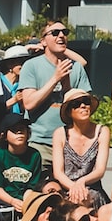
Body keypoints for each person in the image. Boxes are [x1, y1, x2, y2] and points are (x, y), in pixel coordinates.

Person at [17, 22, 93, 166]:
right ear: (43, 41)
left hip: (70, 143)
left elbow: (85, 108)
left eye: (65, 32)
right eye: (55, 33)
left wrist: (67, 87)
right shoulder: (31, 66)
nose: (61, 35)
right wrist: (55, 78)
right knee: (41, 188)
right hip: (40, 143)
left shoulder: (76, 68)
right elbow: (29, 103)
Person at [50, 88, 111, 207]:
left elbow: (100, 170)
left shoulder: (102, 131)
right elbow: (58, 173)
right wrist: (74, 187)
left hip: (92, 188)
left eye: (86, 102)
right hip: (68, 188)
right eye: (76, 104)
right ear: (68, 111)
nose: (83, 106)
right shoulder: (60, 133)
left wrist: (81, 182)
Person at [0, 113, 44, 221]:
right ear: (4, 135)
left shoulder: (35, 155)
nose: (19, 132)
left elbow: (32, 186)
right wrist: (12, 201)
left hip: (26, 199)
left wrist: (25, 201)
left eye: (22, 129)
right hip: (3, 202)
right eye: (14, 130)